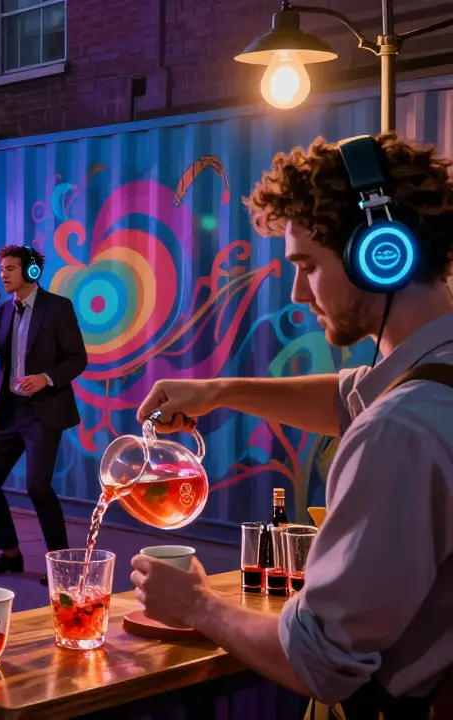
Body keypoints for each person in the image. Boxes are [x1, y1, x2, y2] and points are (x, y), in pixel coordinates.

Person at [130, 133, 453, 718]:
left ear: (381, 254)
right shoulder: (431, 384)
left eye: (308, 266)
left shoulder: (398, 432)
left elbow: (319, 662)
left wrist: (197, 604)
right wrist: (219, 390)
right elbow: (350, 396)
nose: (299, 292)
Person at [0, 244, 88, 581]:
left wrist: (46, 378)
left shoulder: (57, 308)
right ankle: (10, 554)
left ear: (31, 272)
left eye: (10, 269)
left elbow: (77, 358)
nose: (3, 275)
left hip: (43, 413)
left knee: (37, 486)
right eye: (2, 269)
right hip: (10, 412)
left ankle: (61, 562)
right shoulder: (3, 311)